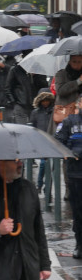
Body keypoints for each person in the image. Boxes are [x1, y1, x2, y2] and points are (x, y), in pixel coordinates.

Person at [54, 94, 82, 259]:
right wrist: (67, 153)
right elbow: (59, 141)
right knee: (78, 212)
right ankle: (79, 244)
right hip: (75, 174)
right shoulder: (70, 122)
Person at [30, 89, 54, 192]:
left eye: (47, 100)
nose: (45, 102)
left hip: (52, 141)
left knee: (50, 165)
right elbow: (32, 126)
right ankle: (40, 185)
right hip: (41, 140)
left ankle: (45, 187)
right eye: (43, 100)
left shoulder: (54, 111)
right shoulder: (35, 113)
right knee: (44, 164)